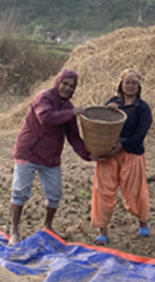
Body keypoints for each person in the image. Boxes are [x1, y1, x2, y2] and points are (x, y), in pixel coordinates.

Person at [8, 68, 92, 245]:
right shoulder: (43, 97)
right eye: (65, 84)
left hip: (51, 157)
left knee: (55, 194)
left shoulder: (69, 107)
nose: (68, 88)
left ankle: (48, 226)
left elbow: (73, 136)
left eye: (72, 86)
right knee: (20, 192)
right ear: (58, 82)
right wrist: (71, 114)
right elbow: (46, 117)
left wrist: (88, 154)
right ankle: (14, 231)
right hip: (29, 152)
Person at [91, 69, 153, 245]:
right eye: (127, 82)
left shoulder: (142, 108)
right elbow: (101, 123)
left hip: (131, 152)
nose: (130, 86)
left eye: (134, 83)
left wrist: (123, 146)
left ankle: (143, 223)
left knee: (135, 190)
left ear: (139, 86)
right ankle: (102, 231)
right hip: (109, 153)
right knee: (102, 191)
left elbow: (141, 132)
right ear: (121, 84)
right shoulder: (113, 102)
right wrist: (110, 111)